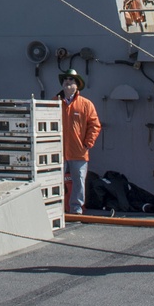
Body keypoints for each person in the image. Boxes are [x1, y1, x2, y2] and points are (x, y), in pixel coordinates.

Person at [58, 69, 101, 214]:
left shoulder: (86, 104)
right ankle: (58, 208)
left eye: (71, 80)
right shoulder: (54, 102)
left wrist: (87, 144)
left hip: (78, 151)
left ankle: (76, 209)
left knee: (79, 181)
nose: (67, 82)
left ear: (77, 85)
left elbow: (94, 125)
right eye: (65, 80)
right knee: (55, 181)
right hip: (58, 151)